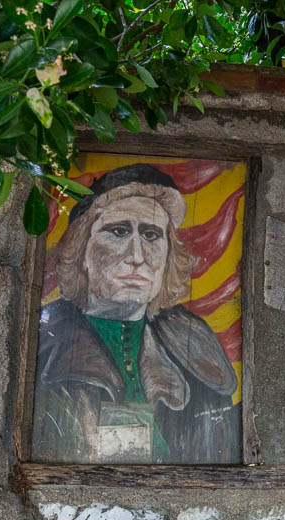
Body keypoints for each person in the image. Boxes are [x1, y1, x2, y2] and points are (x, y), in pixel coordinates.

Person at [31, 164, 240, 464]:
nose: (138, 256)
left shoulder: (195, 343)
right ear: (82, 250)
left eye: (152, 235)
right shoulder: (45, 340)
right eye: (118, 231)